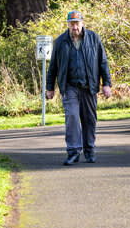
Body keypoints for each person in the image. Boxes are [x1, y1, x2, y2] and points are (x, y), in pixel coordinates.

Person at [46, 10, 112, 165]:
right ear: (68, 24)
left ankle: (89, 151)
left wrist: (106, 84)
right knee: (72, 118)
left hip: (89, 86)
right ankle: (73, 152)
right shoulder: (60, 41)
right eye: (71, 24)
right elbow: (53, 67)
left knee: (89, 119)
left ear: (82, 23)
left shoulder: (93, 38)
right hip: (70, 87)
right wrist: (50, 88)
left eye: (77, 23)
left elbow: (103, 62)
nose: (74, 27)